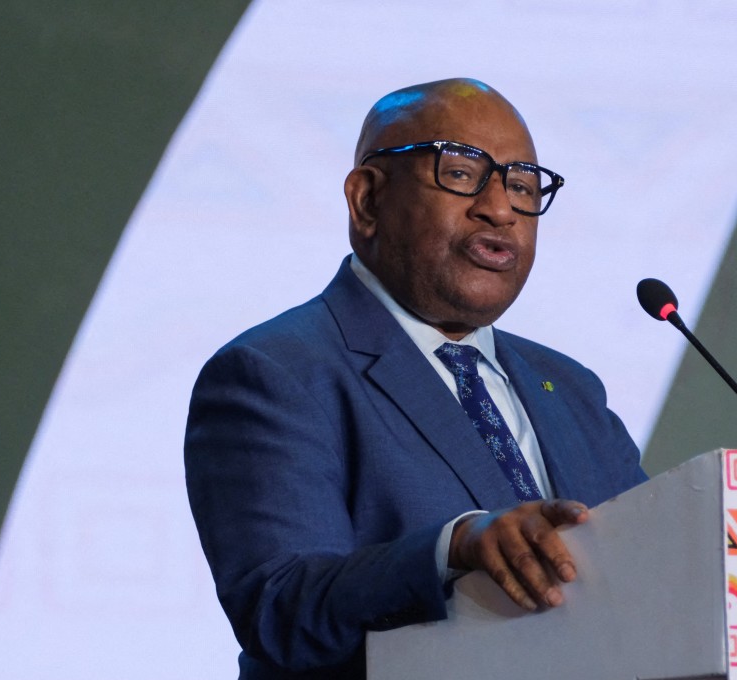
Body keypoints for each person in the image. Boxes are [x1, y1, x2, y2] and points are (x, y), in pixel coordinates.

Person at [184, 78, 649, 680]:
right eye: (461, 174)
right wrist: (451, 548)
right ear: (368, 201)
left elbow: (648, 571)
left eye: (522, 185)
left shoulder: (572, 389)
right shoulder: (275, 373)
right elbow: (282, 608)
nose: (501, 209)